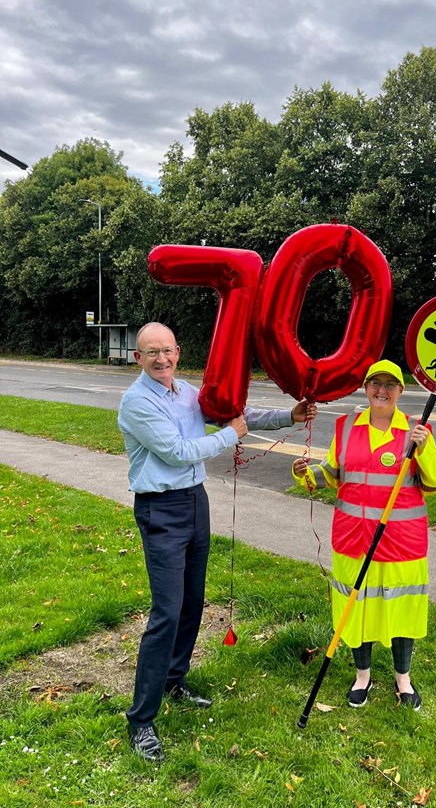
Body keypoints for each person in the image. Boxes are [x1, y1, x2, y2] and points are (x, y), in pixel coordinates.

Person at [118, 322, 316, 761]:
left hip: (194, 503)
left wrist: (291, 415)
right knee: (166, 612)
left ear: (178, 351)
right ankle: (141, 721)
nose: (161, 359)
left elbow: (235, 412)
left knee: (192, 602)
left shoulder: (187, 393)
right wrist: (234, 435)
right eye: (151, 353)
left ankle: (174, 681)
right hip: (161, 510)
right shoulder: (136, 402)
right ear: (139, 358)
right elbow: (179, 452)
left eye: (167, 351)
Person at [293, 359, 436, 711]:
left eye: (390, 384)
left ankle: (402, 679)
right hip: (354, 539)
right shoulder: (346, 427)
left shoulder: (417, 430)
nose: (382, 390)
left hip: (401, 543)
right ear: (365, 388)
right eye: (375, 383)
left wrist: (422, 450)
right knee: (354, 608)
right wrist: (303, 472)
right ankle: (362, 676)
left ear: (400, 391)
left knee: (401, 608)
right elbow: (332, 474)